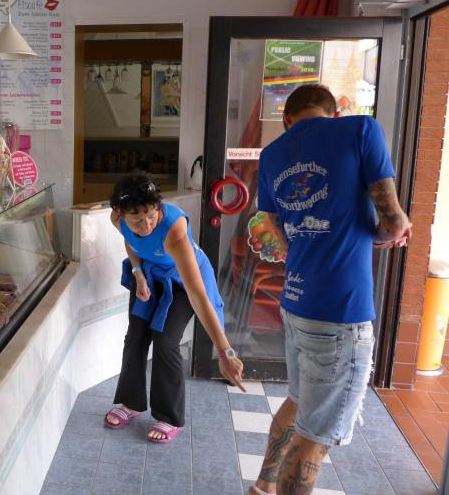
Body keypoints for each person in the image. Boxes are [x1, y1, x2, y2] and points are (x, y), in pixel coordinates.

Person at [248, 84, 411, 495]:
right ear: (333, 113)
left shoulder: (271, 155)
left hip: (296, 301)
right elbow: (393, 220)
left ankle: (263, 487)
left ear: (287, 119)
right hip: (341, 310)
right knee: (314, 437)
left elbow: (279, 233)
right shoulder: (360, 130)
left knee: (298, 402)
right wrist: (389, 233)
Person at [104, 171, 246, 443]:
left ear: (158, 207)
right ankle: (131, 403)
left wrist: (225, 351)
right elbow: (131, 242)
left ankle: (169, 417)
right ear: (120, 213)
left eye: (151, 215)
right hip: (149, 273)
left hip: (184, 281)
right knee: (136, 335)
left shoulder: (174, 230)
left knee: (166, 340)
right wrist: (137, 273)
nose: (146, 224)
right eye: (137, 220)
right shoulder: (117, 219)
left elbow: (198, 295)